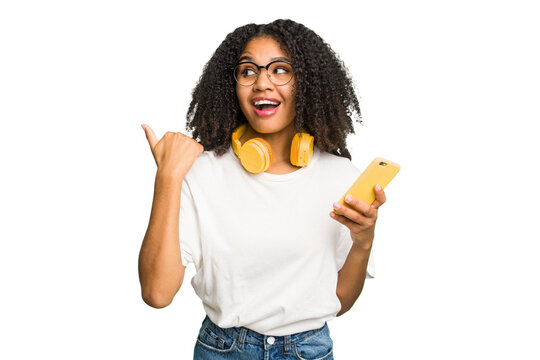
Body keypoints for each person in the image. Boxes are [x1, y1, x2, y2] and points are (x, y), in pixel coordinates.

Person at [139, 19, 387, 360]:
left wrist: (363, 242)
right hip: (222, 350)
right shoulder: (201, 172)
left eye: (280, 70)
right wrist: (168, 177)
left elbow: (338, 302)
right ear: (232, 85)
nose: (262, 83)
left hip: (308, 350)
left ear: (307, 83)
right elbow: (157, 293)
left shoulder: (340, 176)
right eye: (247, 71)